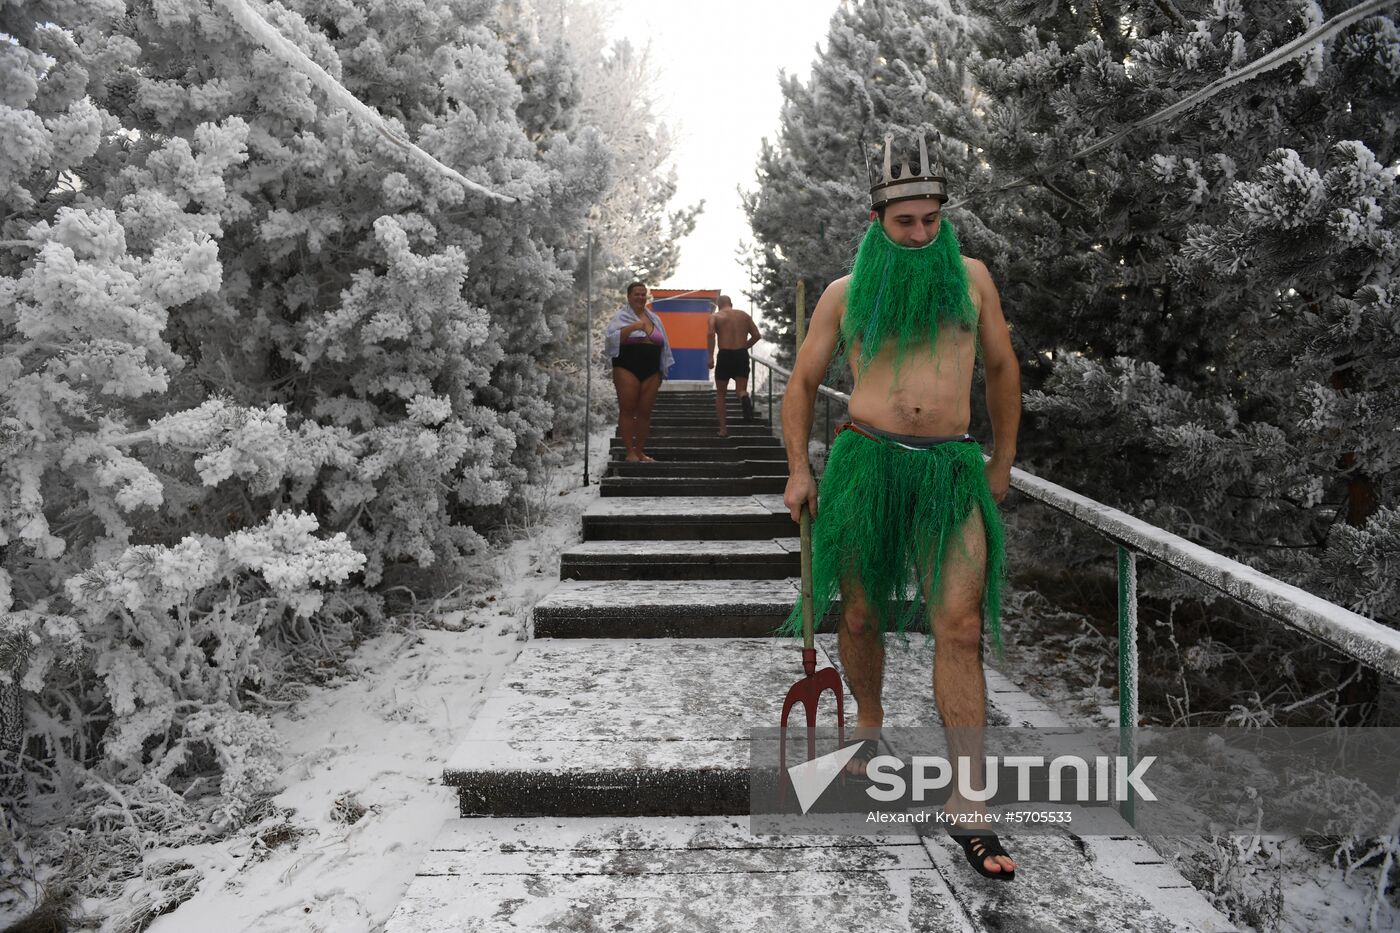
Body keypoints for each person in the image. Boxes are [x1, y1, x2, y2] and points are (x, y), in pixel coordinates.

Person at [779, 135, 1022, 881]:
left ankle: (970, 805)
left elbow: (1004, 366)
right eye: (906, 221)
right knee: (857, 614)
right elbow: (801, 383)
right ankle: (873, 724)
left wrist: (1003, 459)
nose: (921, 234)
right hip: (865, 461)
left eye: (932, 218)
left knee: (961, 624)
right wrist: (797, 468)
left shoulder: (972, 279)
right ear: (878, 217)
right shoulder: (846, 293)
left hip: (949, 470)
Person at [605, 281, 674, 462]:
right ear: (628, 296)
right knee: (627, 409)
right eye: (637, 294)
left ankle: (640, 451)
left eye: (643, 294)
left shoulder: (654, 318)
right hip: (627, 365)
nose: (640, 297)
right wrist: (632, 328)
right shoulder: (621, 316)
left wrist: (661, 368)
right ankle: (630, 452)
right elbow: (611, 340)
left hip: (651, 369)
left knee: (645, 411)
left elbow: (664, 344)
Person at [706, 295, 762, 436]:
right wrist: (744, 347)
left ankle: (723, 429)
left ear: (718, 305)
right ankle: (744, 397)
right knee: (740, 389)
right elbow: (756, 335)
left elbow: (711, 333)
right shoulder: (744, 315)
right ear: (731, 303)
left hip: (725, 355)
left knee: (721, 394)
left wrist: (710, 357)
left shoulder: (716, 316)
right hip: (741, 355)